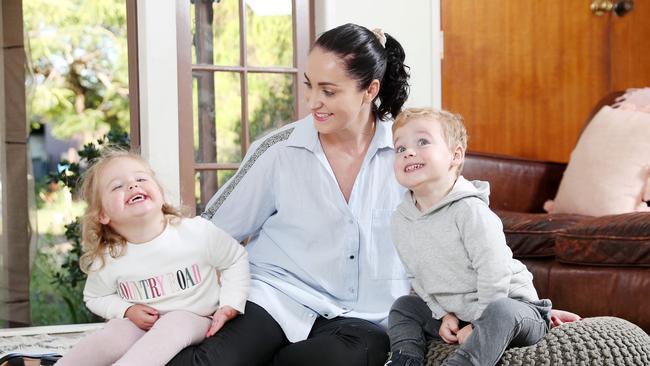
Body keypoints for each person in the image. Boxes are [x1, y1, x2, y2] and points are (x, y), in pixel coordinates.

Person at [168, 23, 412, 366]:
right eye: (309, 86)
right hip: (276, 296)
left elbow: (452, 227)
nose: (313, 102)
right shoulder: (278, 150)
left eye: (328, 91)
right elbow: (213, 231)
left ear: (370, 90)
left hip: (365, 317)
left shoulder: (408, 156)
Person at [384, 108, 557, 366]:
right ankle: (405, 358)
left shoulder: (470, 211)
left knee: (501, 312)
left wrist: (478, 324)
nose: (409, 152)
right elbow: (418, 277)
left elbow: (494, 273)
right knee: (404, 306)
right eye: (400, 148)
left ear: (455, 156)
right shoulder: (401, 220)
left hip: (512, 307)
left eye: (422, 142)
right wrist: (443, 315)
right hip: (458, 311)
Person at [55, 148, 250, 366]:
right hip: (143, 325)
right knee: (117, 330)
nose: (132, 186)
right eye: (117, 186)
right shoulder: (110, 257)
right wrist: (126, 310)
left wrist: (230, 303)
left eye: (140, 178)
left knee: (174, 323)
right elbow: (95, 297)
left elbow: (235, 259)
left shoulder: (195, 232)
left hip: (196, 318)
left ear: (160, 192)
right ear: (103, 215)